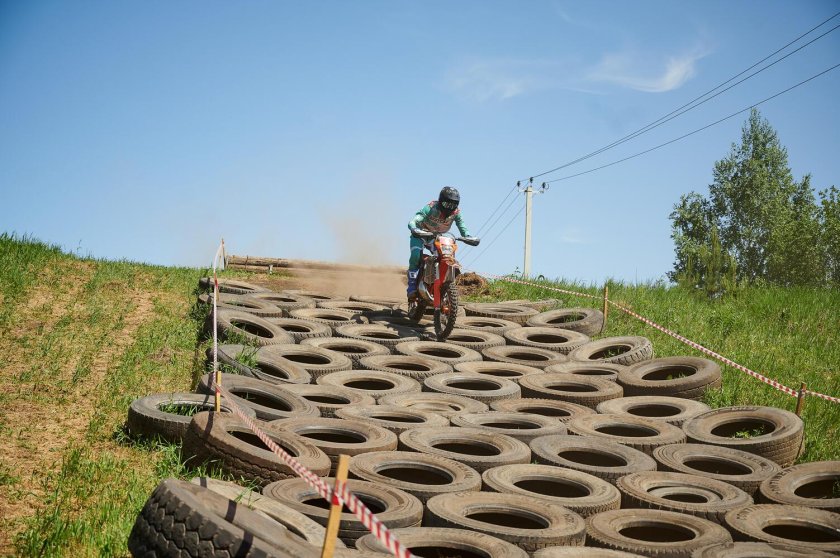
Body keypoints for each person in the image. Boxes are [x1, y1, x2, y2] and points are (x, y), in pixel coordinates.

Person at [406, 186, 475, 299]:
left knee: (446, 257)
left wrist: (467, 236)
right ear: (441, 201)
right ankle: (412, 286)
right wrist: (413, 227)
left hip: (436, 237)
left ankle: (441, 283)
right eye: (447, 204)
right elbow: (417, 218)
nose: (450, 207)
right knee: (415, 255)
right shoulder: (431, 207)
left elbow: (462, 225)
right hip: (420, 234)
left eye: (453, 204)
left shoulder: (456, 213)